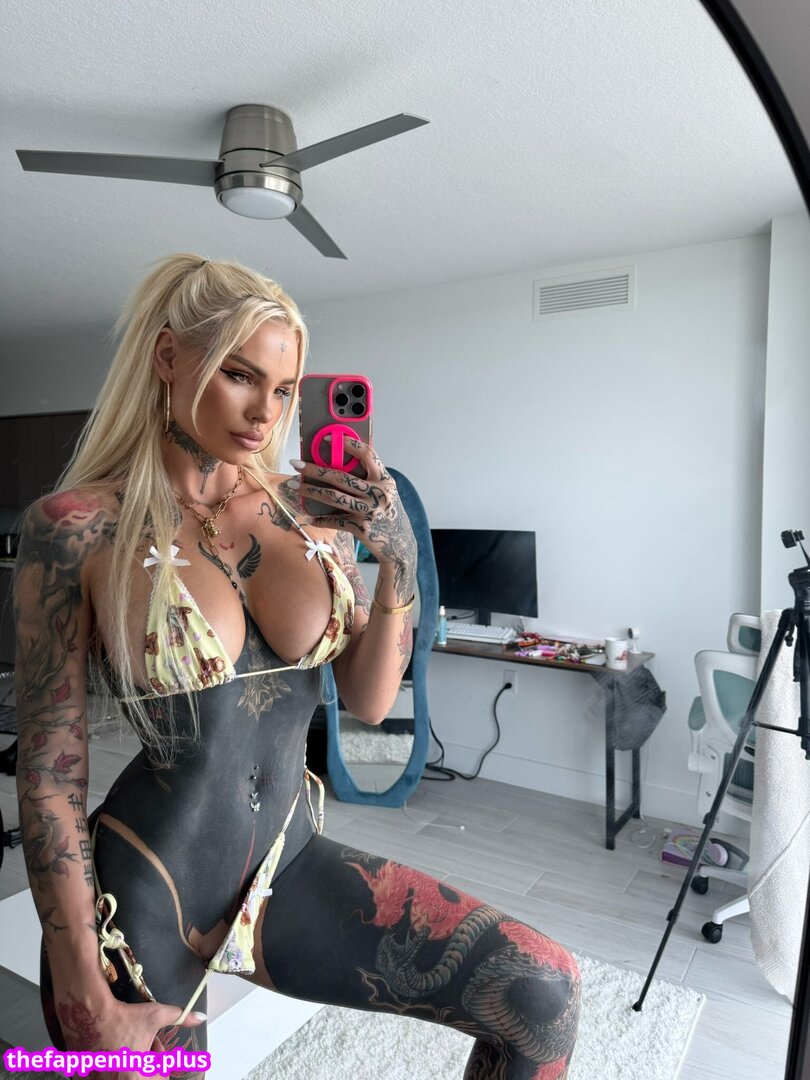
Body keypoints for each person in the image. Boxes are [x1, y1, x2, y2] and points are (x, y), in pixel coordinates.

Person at [14, 253, 580, 1080]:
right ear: (168, 357)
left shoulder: (307, 508)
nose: (264, 413)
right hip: (143, 895)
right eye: (240, 375)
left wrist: (398, 558)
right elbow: (48, 772)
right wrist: (79, 985)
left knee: (542, 992)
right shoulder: (76, 526)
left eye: (283, 389)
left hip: (291, 862)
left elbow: (370, 701)